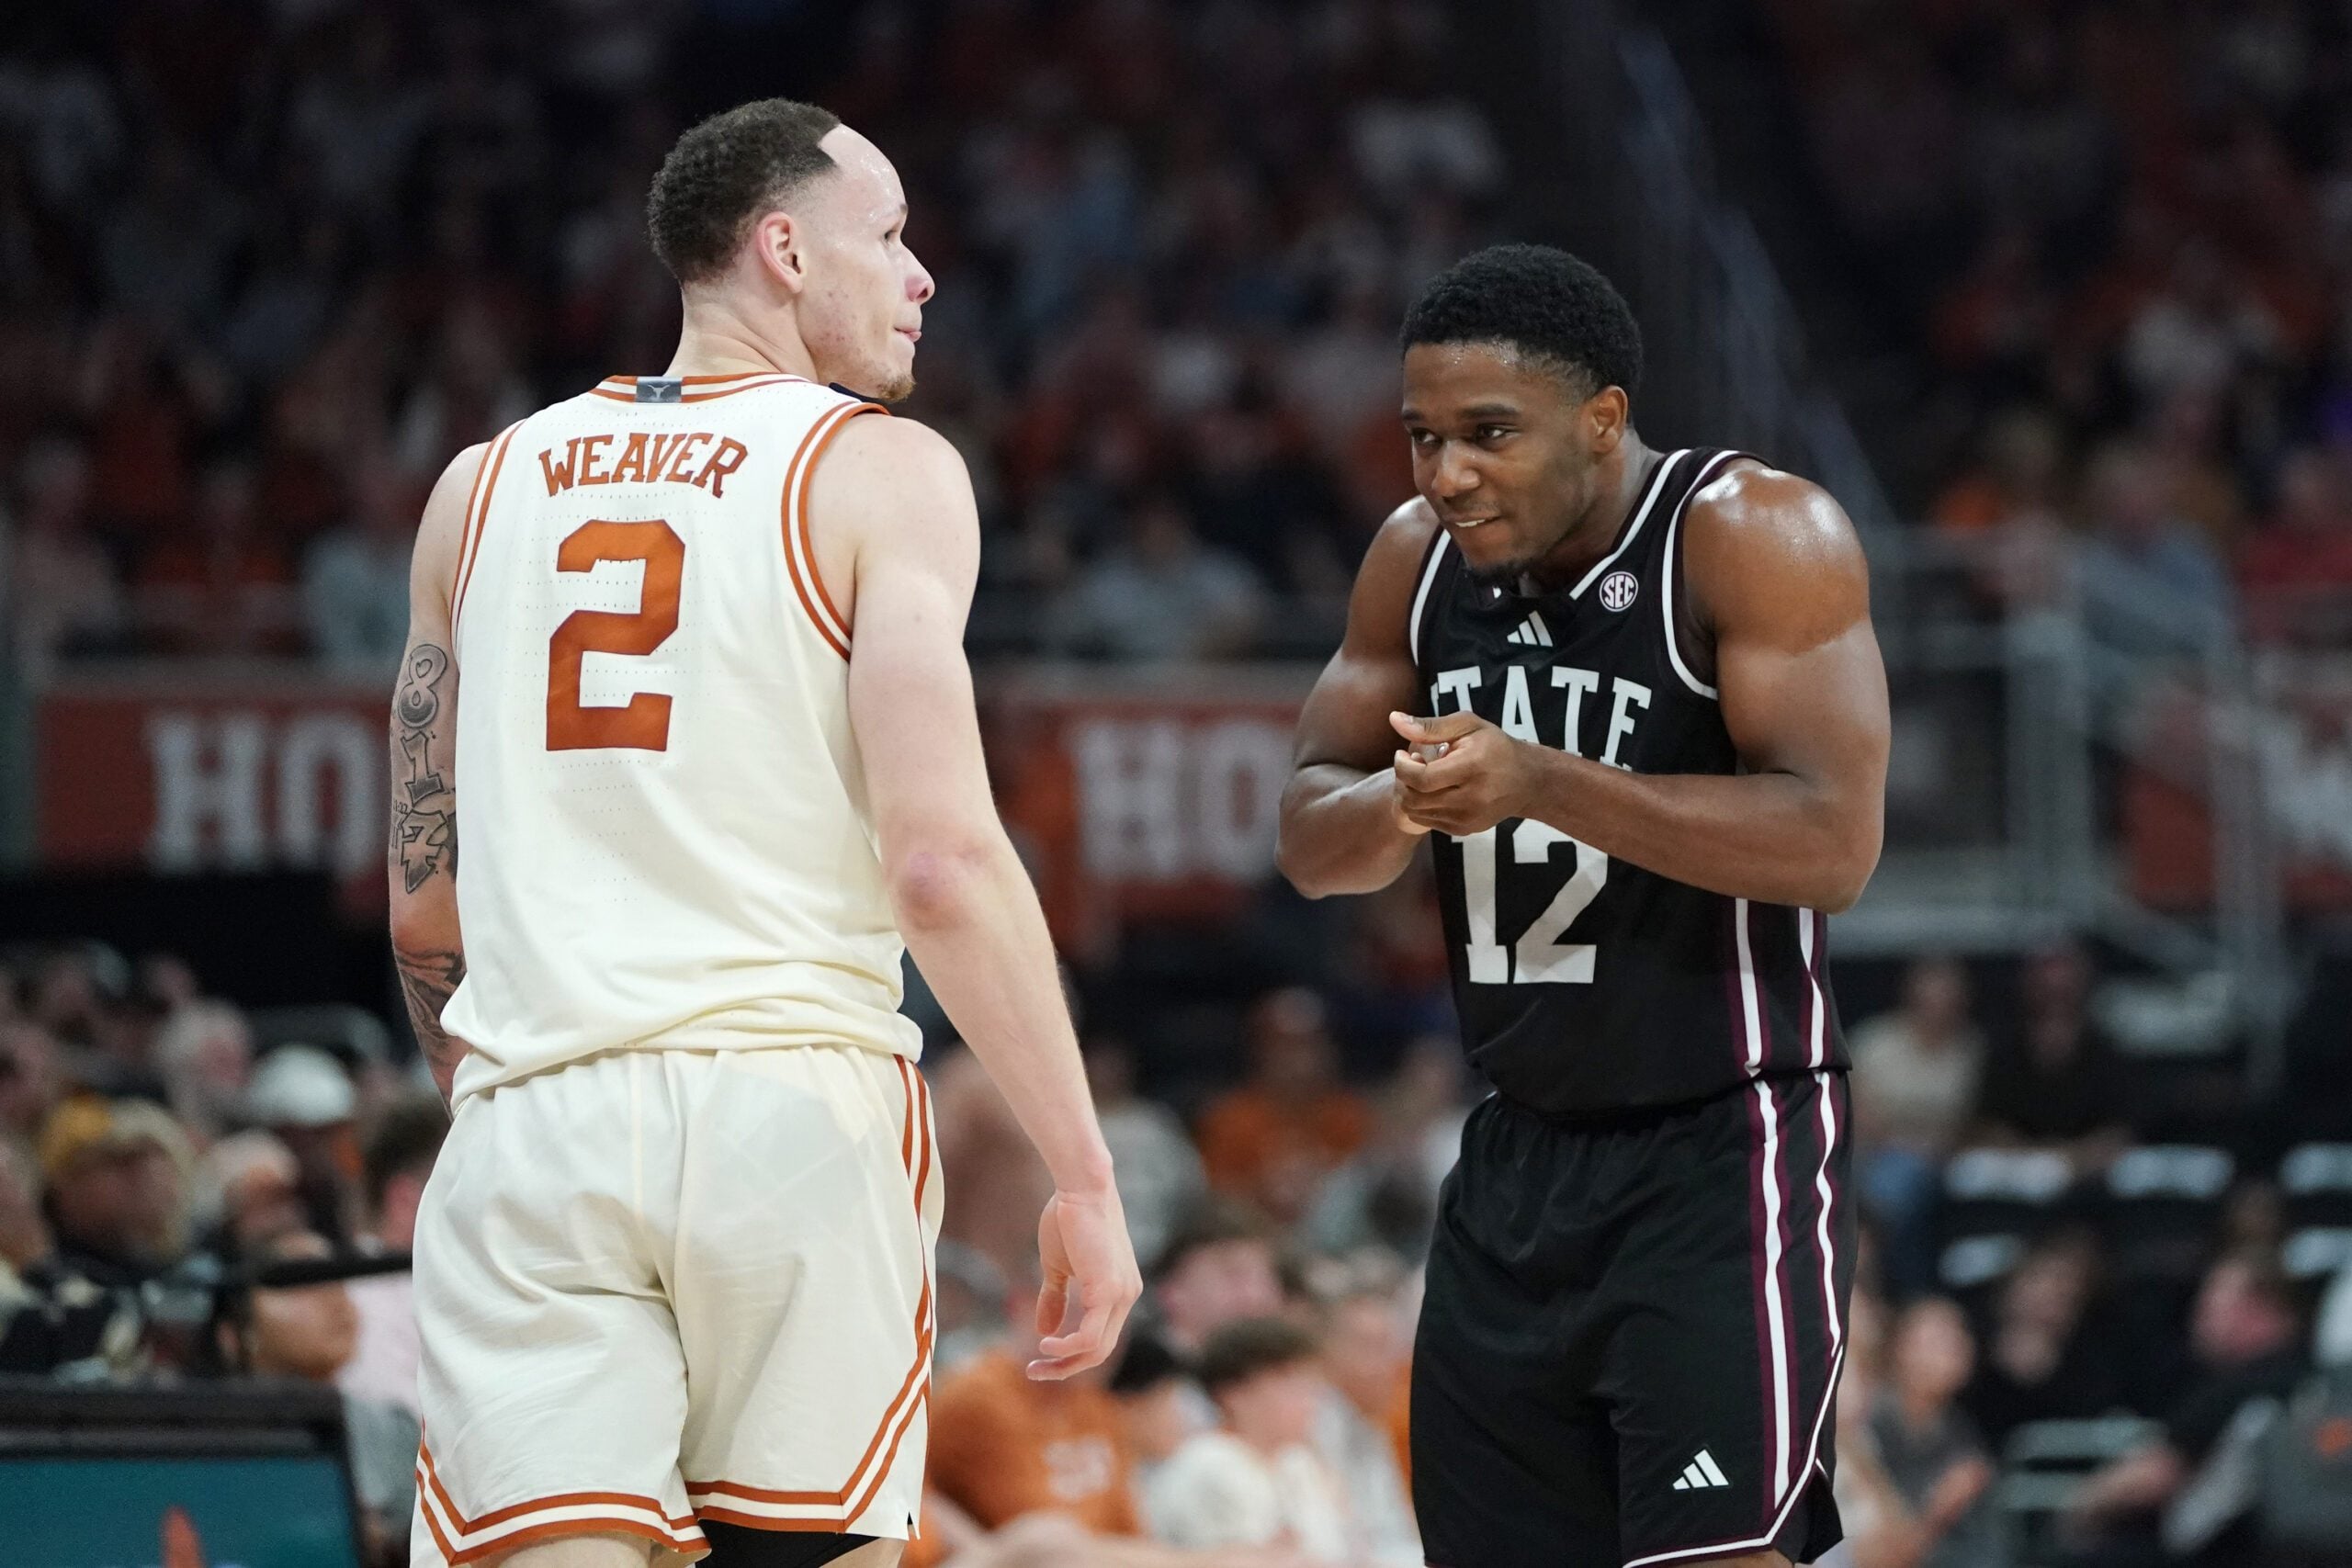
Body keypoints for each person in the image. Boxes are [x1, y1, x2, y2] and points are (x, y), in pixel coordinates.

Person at [388, 97, 1140, 1568]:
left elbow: (426, 903)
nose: (924, 276)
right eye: (893, 235)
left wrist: (501, 1098)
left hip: (536, 1108)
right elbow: (941, 861)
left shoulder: (475, 491)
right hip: (791, 1111)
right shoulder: (880, 468)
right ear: (784, 251)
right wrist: (1084, 1172)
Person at [1278, 243, 1889, 1568]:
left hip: (1723, 1144)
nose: (1448, 474)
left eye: (1488, 434)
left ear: (1601, 418)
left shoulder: (1753, 533)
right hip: (1515, 1159)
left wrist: (1542, 779)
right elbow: (1310, 837)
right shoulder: (1413, 562)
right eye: (1425, 437)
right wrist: (1403, 803)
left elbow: (1835, 841)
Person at [2064, 1251, 2307, 1567]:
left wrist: (2081, 1507)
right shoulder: (2309, 1376)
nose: (2199, 1320)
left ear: (2259, 1309)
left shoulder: (2247, 1387)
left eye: (2211, 1307)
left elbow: (2155, 1476)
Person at [1142, 1316, 1353, 1562]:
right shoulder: (1209, 1464)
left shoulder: (1297, 1463)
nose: (1309, 1398)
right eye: (1290, 1381)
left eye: (1311, 1382)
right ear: (1234, 1393)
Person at [1866, 1300, 1998, 1568]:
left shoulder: (1961, 1427)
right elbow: (1872, 1552)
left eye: (1960, 1333)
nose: (1956, 1344)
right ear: (1898, 1347)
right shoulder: (1869, 1426)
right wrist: (1940, 1508)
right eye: (1939, 1336)